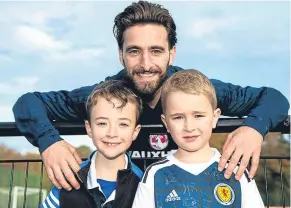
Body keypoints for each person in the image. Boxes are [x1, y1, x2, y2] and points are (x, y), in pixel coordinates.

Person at [13, 1, 289, 192]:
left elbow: (274, 97)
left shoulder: (196, 91)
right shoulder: (104, 96)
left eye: (156, 51)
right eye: (134, 51)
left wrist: (253, 129)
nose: (145, 63)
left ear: (172, 53)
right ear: (121, 55)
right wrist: (49, 142)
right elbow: (28, 102)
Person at [133, 69, 265, 208]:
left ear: (215, 117)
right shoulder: (155, 175)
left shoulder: (236, 173)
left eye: (198, 116)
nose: (189, 127)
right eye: (178, 117)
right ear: (166, 123)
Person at [41, 80, 143, 208]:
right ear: (89, 128)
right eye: (102, 123)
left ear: (135, 131)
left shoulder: (144, 184)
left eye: (123, 124)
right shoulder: (68, 181)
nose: (112, 133)